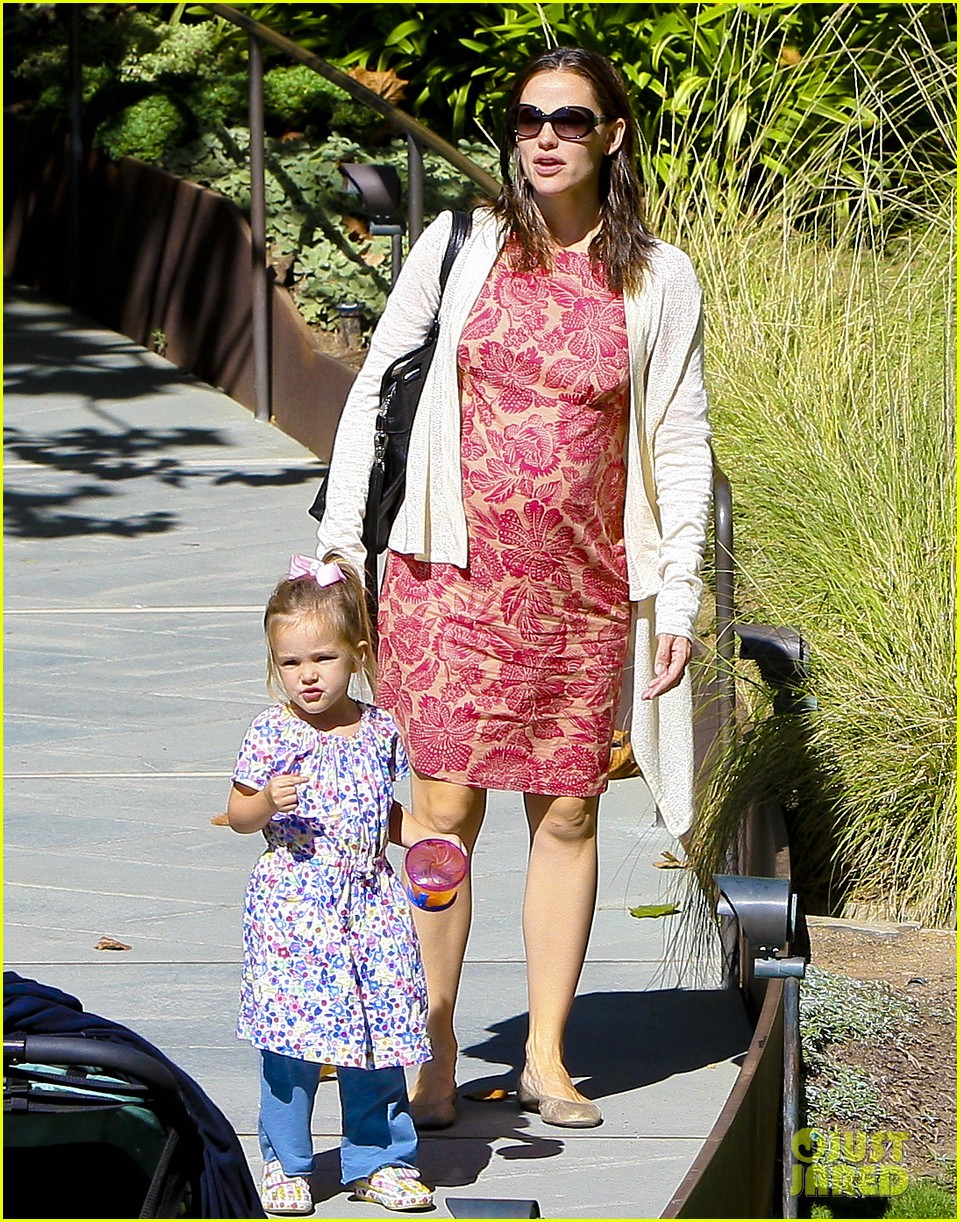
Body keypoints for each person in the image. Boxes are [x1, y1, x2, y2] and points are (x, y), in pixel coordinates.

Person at [315, 46, 713, 1132]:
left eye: (570, 120)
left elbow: (680, 441)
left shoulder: (658, 276)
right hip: (449, 574)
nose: (544, 138)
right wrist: (345, 547)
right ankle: (435, 1043)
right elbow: (376, 396)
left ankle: (544, 1052)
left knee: (571, 812)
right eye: (529, 119)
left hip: (583, 589)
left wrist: (674, 597)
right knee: (440, 808)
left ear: (612, 135)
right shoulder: (462, 242)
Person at [228, 553, 458, 1214]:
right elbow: (239, 815)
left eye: (321, 659)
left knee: (376, 1039)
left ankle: (379, 1159)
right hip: (296, 912)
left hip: (370, 908)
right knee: (293, 1046)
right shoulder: (272, 733)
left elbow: (377, 810)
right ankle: (287, 1161)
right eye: (291, 663)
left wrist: (425, 837)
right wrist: (267, 800)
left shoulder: (379, 729)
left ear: (356, 655)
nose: (306, 676)